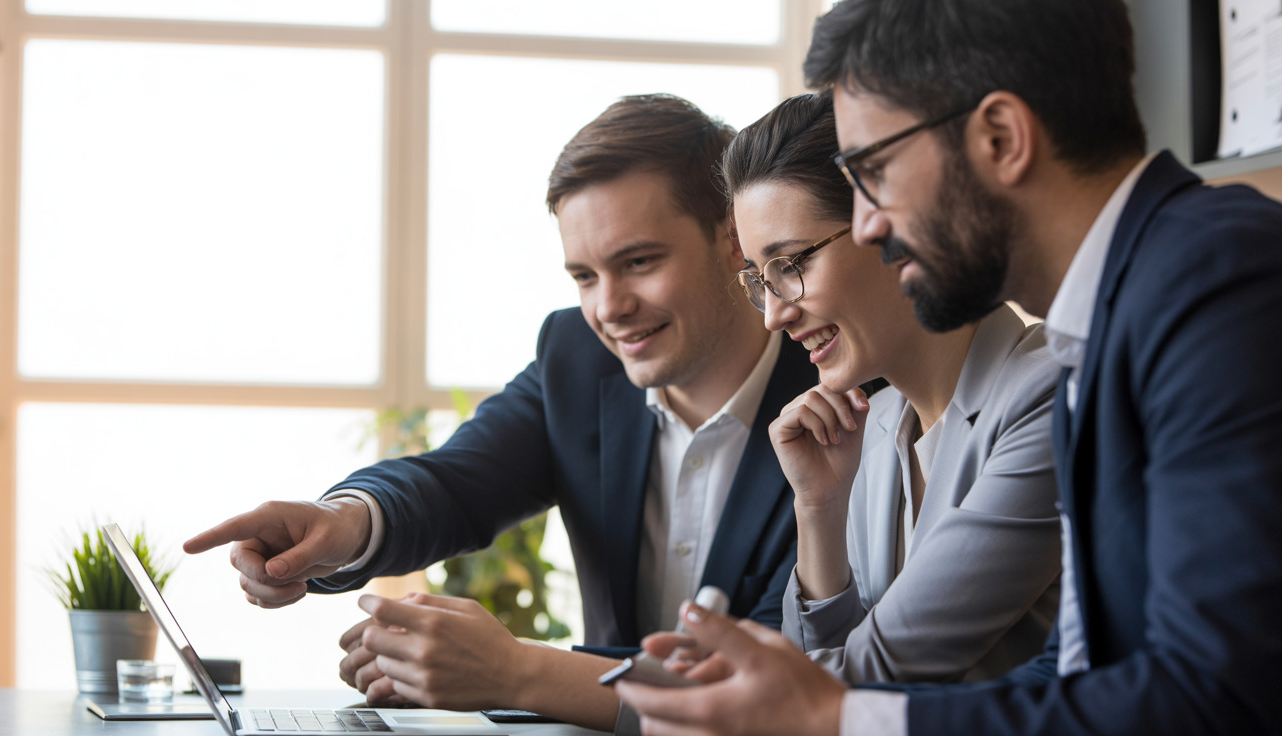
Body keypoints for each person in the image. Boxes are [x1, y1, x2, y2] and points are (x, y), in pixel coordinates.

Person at [615, 1, 1282, 734]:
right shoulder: (1104, 328)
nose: (870, 224)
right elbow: (1077, 672)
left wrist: (831, 716)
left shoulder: (1218, 280)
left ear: (1001, 138)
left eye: (875, 171)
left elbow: (1217, 693)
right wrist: (828, 709)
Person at [183, 94, 819, 731]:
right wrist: (344, 522)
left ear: (733, 239)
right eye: (584, 276)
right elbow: (457, 483)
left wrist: (513, 671)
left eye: (638, 262)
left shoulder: (836, 400)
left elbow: (780, 678)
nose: (609, 308)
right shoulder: (577, 356)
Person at [651, 91, 1059, 687]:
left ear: (889, 228)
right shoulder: (872, 425)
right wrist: (819, 510)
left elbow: (877, 673)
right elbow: (827, 674)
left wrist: (720, 684)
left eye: (792, 264)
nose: (774, 315)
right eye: (759, 281)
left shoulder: (1047, 396)